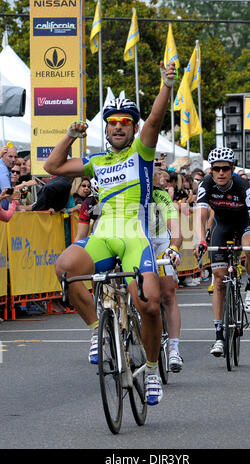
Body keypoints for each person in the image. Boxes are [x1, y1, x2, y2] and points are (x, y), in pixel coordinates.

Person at [44, 61, 177, 406]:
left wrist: (166, 86)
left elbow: (154, 121)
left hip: (135, 235)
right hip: (105, 234)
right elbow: (52, 167)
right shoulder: (97, 161)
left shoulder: (141, 152)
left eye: (124, 123)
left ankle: (149, 371)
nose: (118, 127)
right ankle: (95, 332)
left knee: (148, 304)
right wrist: (71, 136)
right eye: (112, 123)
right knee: (65, 268)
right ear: (106, 129)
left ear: (132, 127)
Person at [194, 147, 250, 358]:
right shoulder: (206, 184)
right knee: (218, 280)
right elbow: (200, 217)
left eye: (225, 169)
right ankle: (219, 336)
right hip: (222, 225)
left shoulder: (243, 186)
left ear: (232, 169)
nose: (220, 173)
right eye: (216, 169)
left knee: (249, 248)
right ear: (211, 170)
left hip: (244, 222)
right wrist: (201, 240)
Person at [152, 170, 183, 371]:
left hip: (159, 241)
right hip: (133, 241)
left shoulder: (160, 194)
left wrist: (173, 248)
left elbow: (176, 229)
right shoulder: (122, 192)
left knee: (167, 294)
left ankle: (173, 349)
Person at [0, 144, 17, 209]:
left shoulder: (6, 169)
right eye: (10, 156)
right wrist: (25, 185)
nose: (13, 160)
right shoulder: (2, 168)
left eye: (15, 157)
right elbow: (8, 193)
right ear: (3, 157)